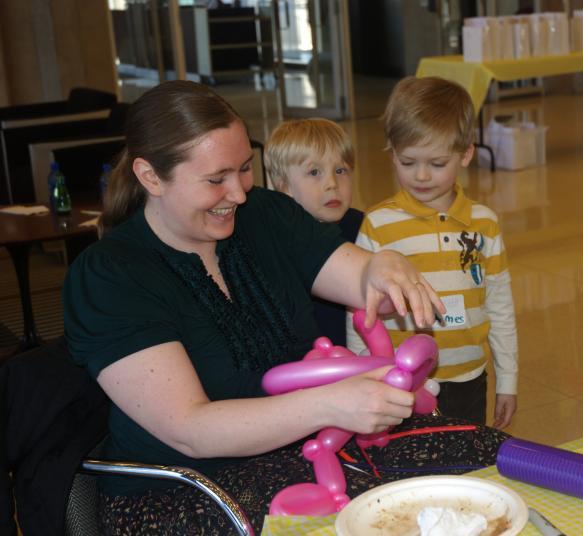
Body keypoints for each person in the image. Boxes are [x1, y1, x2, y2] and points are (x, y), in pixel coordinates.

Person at [62, 80, 509, 534]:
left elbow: (356, 275)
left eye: (244, 169)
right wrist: (329, 405)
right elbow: (191, 428)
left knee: (492, 466)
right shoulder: (110, 276)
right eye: (216, 179)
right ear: (150, 177)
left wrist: (381, 265)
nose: (238, 193)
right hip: (186, 489)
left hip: (310, 452)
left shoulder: (264, 215)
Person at [346, 76, 519, 429]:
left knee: (465, 469)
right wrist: (362, 373)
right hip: (399, 380)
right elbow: (359, 311)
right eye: (407, 162)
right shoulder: (378, 224)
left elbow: (500, 307)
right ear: (391, 152)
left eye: (437, 163)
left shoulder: (484, 225)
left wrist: (508, 381)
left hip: (469, 376)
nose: (421, 176)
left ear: (466, 153)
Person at [265, 118, 363, 347]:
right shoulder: (275, 237)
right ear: (283, 185)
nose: (332, 183)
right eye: (314, 172)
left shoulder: (364, 226)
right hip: (303, 365)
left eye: (341, 170)